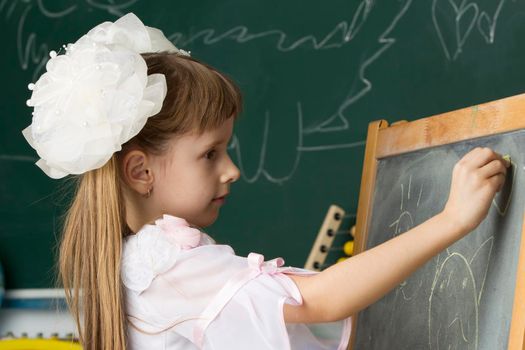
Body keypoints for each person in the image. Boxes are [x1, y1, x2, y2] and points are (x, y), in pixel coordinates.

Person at [22, 13, 509, 350]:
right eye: (209, 154)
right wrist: (452, 220)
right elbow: (319, 301)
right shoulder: (163, 263)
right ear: (141, 171)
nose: (231, 169)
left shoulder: (136, 260)